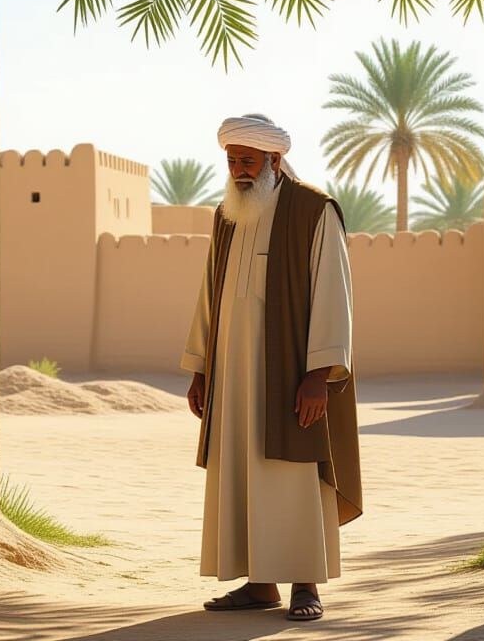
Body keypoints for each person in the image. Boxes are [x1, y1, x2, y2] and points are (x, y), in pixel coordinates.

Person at [181, 114, 362, 622]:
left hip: (290, 371)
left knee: (293, 473)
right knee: (244, 470)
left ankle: (306, 584)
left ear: (274, 160)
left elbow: (333, 290)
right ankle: (260, 585)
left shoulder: (313, 210)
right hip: (232, 373)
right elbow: (210, 291)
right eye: (232, 161)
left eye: (248, 161)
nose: (239, 170)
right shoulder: (227, 214)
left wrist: (318, 375)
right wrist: (200, 368)